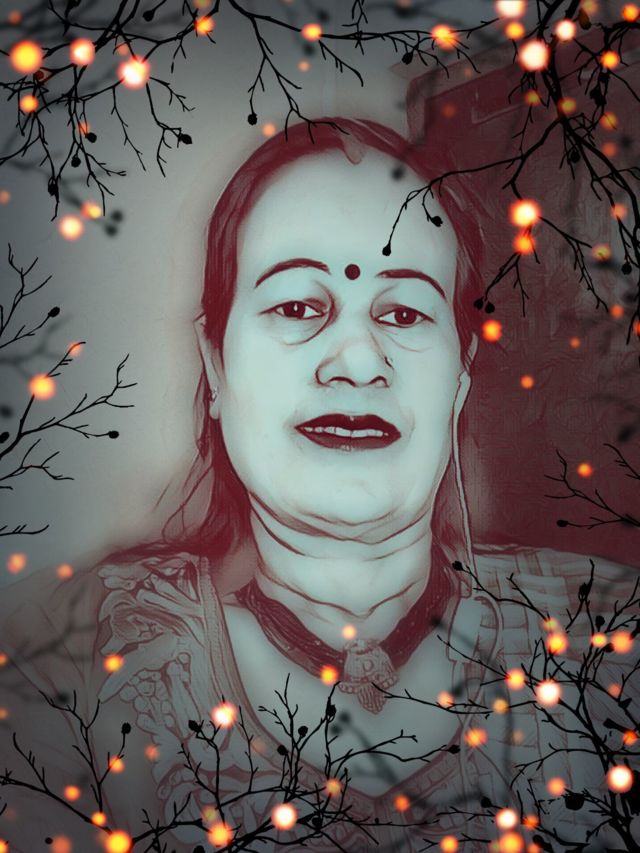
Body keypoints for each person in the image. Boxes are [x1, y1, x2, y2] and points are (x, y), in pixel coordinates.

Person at [0, 118, 637, 853]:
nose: (358, 362)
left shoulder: (611, 638)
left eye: (405, 312)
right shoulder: (62, 659)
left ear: (460, 373)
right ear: (215, 364)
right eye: (298, 306)